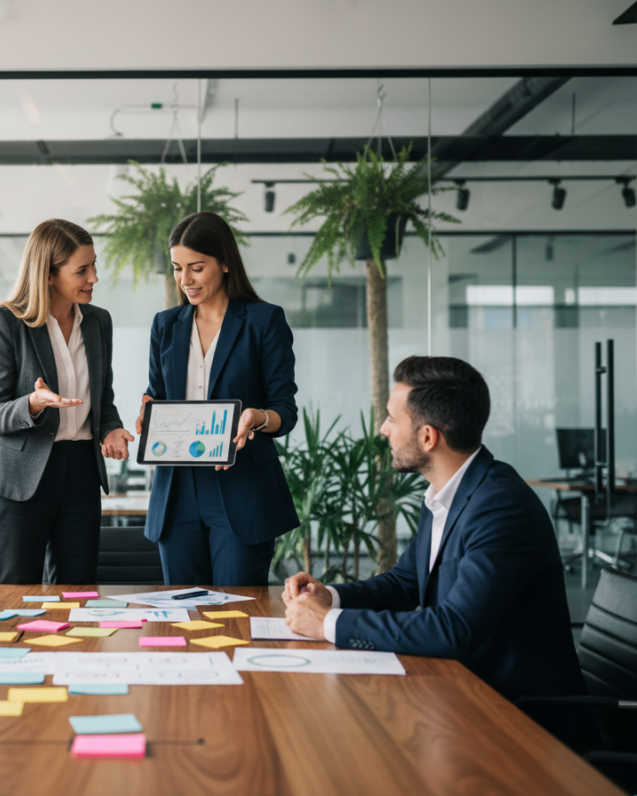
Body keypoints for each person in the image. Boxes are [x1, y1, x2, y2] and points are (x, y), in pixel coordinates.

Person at [284, 355, 585, 700]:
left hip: (517, 715)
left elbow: (454, 628)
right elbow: (405, 583)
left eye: (391, 419)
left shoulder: (501, 507)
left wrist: (327, 624)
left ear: (428, 437)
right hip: (459, 692)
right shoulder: (447, 492)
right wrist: (331, 598)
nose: (383, 429)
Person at [136, 211, 299, 587]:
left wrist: (256, 417)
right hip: (176, 490)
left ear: (225, 263)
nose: (185, 280)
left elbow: (284, 411)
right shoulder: (166, 325)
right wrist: (148, 409)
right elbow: (157, 393)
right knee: (182, 612)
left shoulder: (263, 321)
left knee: (235, 614)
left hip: (241, 488)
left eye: (196, 268)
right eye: (178, 268)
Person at [0, 219, 133, 584]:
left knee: (77, 595)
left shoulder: (98, 322)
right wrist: (33, 403)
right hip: (20, 479)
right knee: (14, 599)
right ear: (48, 274)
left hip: (81, 475)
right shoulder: (5, 322)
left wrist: (111, 429)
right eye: (81, 270)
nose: (93, 277)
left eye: (95, 265)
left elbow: (102, 399)